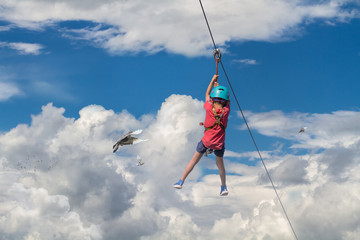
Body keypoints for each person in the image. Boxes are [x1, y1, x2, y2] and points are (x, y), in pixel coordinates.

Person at [173, 74, 230, 196]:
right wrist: (218, 87)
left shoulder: (209, 108)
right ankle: (223, 187)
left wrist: (212, 81)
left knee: (194, 161)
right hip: (219, 145)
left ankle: (181, 181)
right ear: (225, 101)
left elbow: (207, 94)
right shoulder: (226, 111)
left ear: (213, 99)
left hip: (206, 142)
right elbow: (227, 100)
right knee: (220, 165)